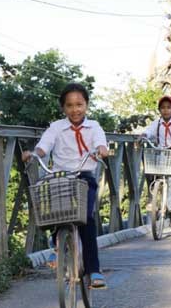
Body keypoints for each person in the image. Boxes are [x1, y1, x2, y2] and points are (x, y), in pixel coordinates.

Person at [22, 82, 108, 289]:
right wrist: (34, 154)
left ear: (86, 105)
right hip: (61, 176)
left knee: (86, 220)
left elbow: (100, 143)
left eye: (79, 104)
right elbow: (44, 146)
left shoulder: (93, 126)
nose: (75, 109)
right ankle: (58, 243)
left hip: (83, 175)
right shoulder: (56, 127)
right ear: (63, 108)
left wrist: (101, 150)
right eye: (69, 105)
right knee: (54, 211)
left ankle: (94, 270)